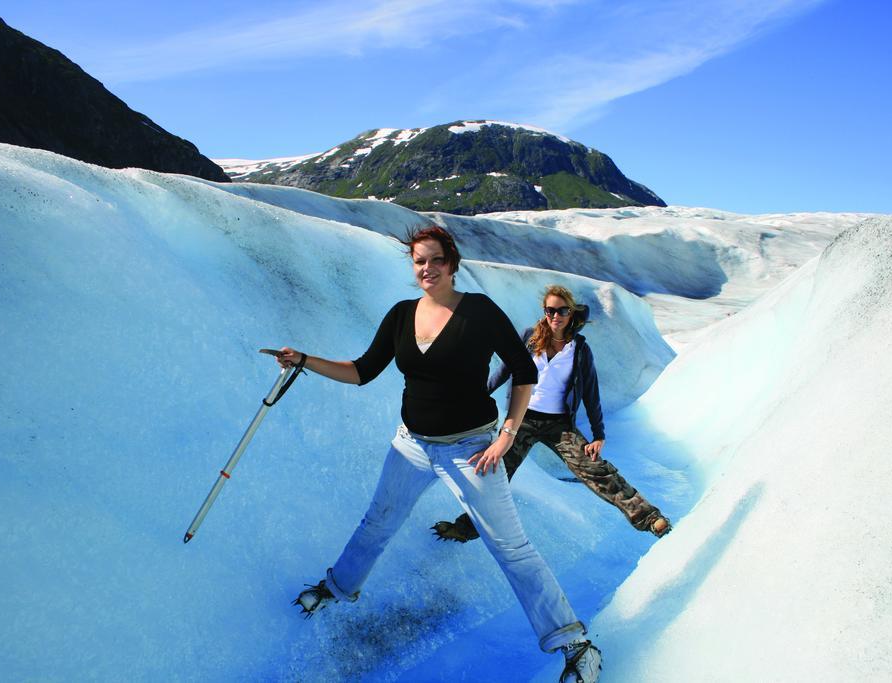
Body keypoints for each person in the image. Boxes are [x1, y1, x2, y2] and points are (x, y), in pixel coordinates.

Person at [275, 228, 601, 683]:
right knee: (378, 521)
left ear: (452, 263)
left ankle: (576, 645)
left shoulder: (480, 311)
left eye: (435, 260)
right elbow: (362, 371)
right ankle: (337, 588)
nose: (426, 269)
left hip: (472, 449)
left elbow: (524, 372)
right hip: (411, 444)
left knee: (510, 547)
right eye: (418, 262)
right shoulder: (401, 315)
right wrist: (306, 360)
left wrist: (507, 434)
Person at [432, 284, 671, 544]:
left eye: (562, 311)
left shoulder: (579, 350)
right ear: (544, 312)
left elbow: (591, 394)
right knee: (496, 472)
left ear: (570, 314)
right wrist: (478, 396)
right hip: (521, 420)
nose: (555, 316)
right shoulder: (528, 338)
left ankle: (649, 518)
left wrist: (598, 435)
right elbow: (503, 372)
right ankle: (465, 528)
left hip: (559, 426)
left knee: (596, 470)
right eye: (550, 310)